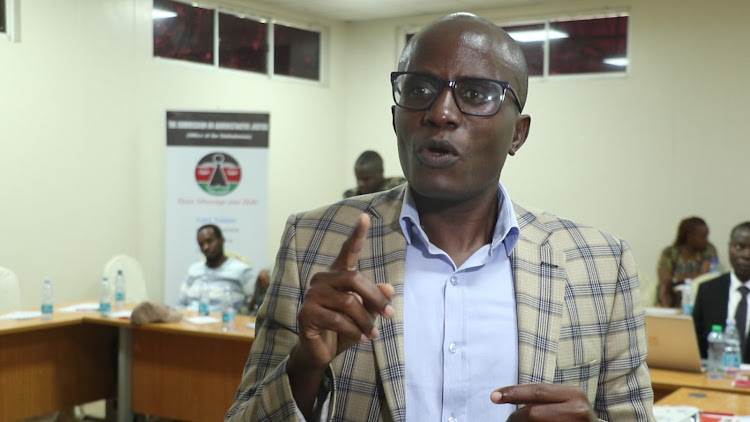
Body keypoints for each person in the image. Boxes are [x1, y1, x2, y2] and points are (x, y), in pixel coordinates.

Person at [227, 13, 653, 421]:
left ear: (517, 134)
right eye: (419, 89)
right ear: (396, 117)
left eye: (475, 94)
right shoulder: (313, 241)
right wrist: (305, 366)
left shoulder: (600, 264)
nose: (440, 112)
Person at [177, 224, 269, 313]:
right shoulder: (194, 269)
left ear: (222, 240)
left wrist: (261, 288)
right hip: (190, 322)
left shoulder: (241, 270)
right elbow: (180, 304)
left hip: (225, 322)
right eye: (201, 244)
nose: (206, 247)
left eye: (210, 241)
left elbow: (255, 307)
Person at [693, 222, 750, 361]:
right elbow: (695, 343)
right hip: (714, 376)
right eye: (739, 247)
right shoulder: (707, 290)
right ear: (729, 247)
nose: (747, 255)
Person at [657, 217, 718, 307]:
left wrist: (678, 279)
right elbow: (665, 279)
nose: (706, 240)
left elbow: (706, 276)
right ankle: (668, 314)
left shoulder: (709, 249)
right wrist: (689, 277)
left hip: (698, 290)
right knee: (664, 288)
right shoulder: (670, 252)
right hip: (674, 292)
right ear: (690, 236)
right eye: (703, 237)